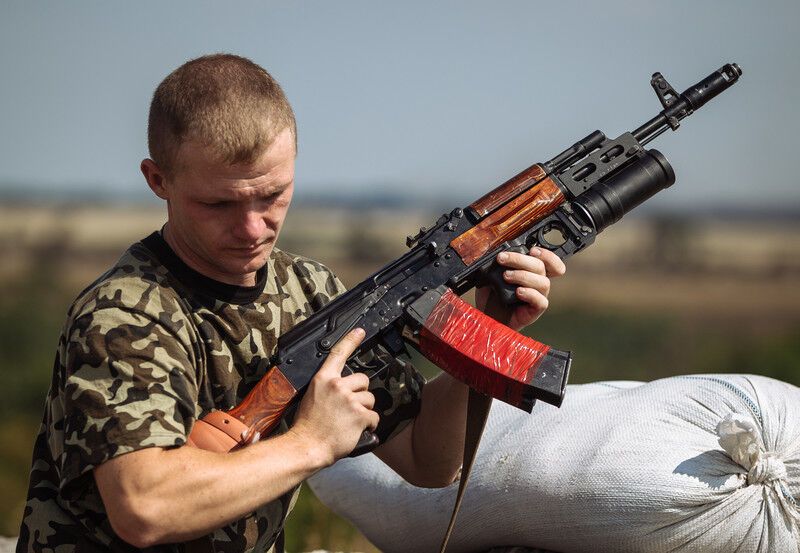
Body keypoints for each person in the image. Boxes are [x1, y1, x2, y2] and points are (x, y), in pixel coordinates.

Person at [17, 53, 566, 552]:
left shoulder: (310, 293)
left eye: (273, 195)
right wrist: (309, 444)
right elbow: (144, 508)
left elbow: (428, 460)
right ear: (157, 179)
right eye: (219, 203)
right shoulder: (125, 315)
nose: (253, 228)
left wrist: (484, 329)